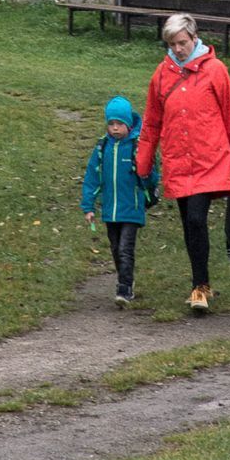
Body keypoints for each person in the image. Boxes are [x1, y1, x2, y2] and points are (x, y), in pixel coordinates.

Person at [136, 12, 230, 314]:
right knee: (189, 224)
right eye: (172, 44)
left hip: (210, 159)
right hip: (177, 159)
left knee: (197, 219)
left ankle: (199, 287)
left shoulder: (216, 71)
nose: (178, 49)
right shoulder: (161, 75)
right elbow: (151, 122)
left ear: (194, 38)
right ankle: (203, 283)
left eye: (182, 42)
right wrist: (143, 163)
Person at [80, 93, 159, 306]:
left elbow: (152, 177)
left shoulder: (137, 146)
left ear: (129, 124)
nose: (115, 128)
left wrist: (145, 168)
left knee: (125, 248)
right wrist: (88, 207)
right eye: (111, 124)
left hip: (132, 209)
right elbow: (92, 177)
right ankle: (124, 280)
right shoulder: (102, 148)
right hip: (110, 211)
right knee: (115, 248)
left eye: (120, 124)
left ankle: (125, 288)